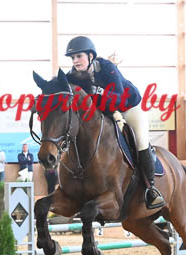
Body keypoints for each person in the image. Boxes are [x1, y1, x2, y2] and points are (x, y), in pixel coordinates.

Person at [65, 36, 164, 209]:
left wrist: (98, 91)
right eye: (72, 58)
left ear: (90, 56)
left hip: (128, 106)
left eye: (79, 56)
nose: (75, 61)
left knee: (140, 140)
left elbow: (119, 99)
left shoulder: (107, 68)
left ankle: (151, 188)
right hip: (103, 112)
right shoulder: (72, 76)